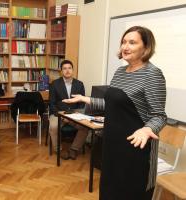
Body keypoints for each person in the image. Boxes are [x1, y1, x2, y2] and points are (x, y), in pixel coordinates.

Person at [63, 26, 166, 200]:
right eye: (124, 42)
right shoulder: (120, 71)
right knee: (110, 190)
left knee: (130, 193)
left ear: (146, 47)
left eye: (132, 42)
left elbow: (159, 116)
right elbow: (114, 104)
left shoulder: (152, 74)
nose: (125, 46)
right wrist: (86, 99)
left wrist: (146, 130)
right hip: (112, 143)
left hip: (135, 148)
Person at [49, 59, 87, 160]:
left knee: (85, 127)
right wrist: (61, 115)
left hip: (74, 114)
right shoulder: (54, 84)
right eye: (64, 69)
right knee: (53, 127)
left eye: (69, 68)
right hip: (58, 113)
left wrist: (74, 115)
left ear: (72, 70)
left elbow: (82, 103)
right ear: (61, 71)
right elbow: (51, 103)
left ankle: (73, 150)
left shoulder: (79, 84)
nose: (67, 71)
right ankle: (59, 150)